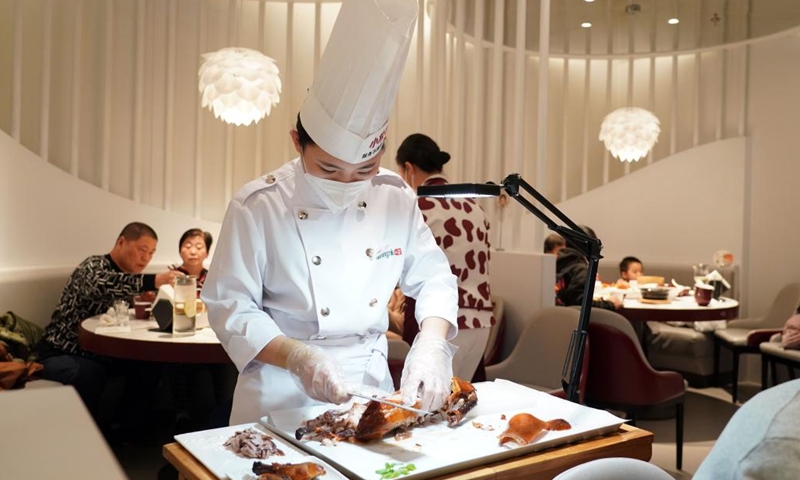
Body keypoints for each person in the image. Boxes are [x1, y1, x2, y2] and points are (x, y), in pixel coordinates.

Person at [202, 0, 459, 425]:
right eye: (328, 168)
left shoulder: (395, 197)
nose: (346, 183)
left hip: (369, 387)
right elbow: (230, 306)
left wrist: (431, 345)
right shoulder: (259, 206)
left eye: (365, 170)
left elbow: (434, 276)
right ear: (295, 141)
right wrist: (298, 356)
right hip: (278, 391)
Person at [37, 222, 182, 429]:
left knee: (152, 364)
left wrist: (142, 302)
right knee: (89, 373)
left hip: (104, 353)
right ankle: (87, 436)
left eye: (151, 253)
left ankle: (127, 431)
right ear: (121, 242)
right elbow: (99, 285)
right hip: (62, 351)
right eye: (142, 250)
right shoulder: (93, 266)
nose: (146, 258)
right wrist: (154, 280)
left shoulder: (129, 280)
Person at [394, 133, 495, 381]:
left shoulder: (418, 206)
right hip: (481, 321)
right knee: (460, 401)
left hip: (440, 319)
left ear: (408, 169)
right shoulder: (474, 206)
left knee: (425, 403)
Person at [555, 225, 622, 311]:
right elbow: (581, 305)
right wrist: (610, 304)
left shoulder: (556, 263)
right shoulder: (580, 270)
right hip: (571, 321)